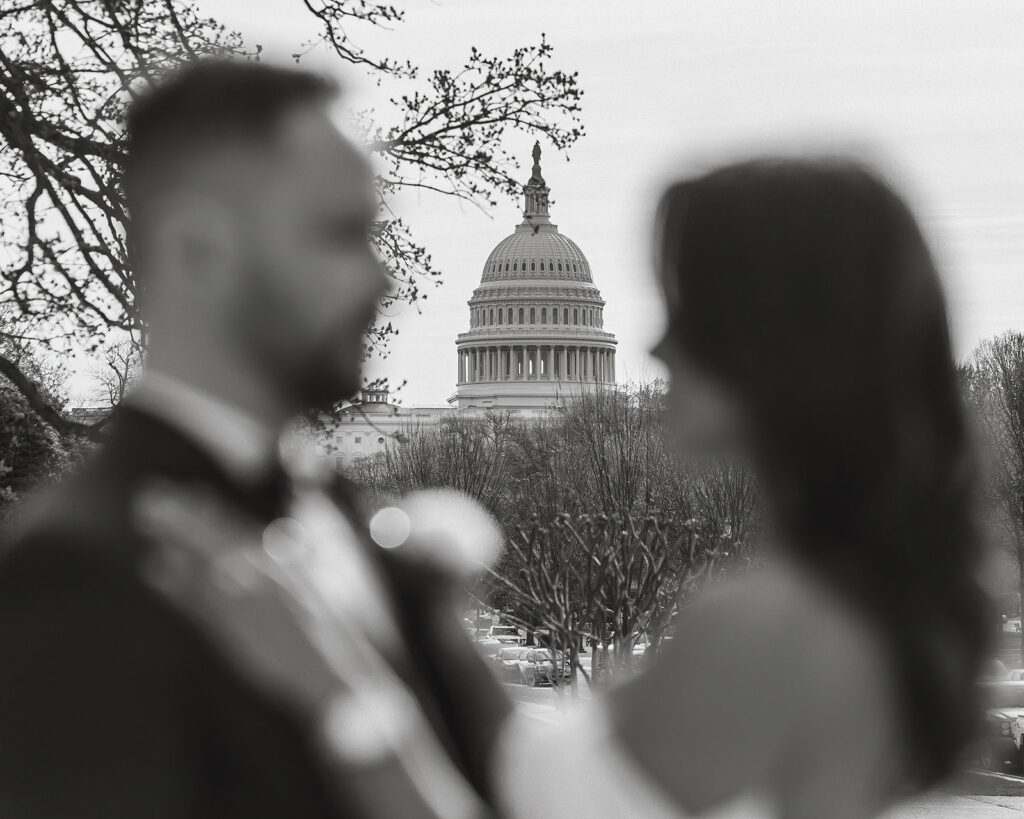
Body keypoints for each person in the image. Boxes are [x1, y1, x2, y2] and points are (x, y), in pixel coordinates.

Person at [144, 156, 991, 819]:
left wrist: (328, 680)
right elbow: (557, 783)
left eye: (689, 315)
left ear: (777, 349)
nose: (654, 350)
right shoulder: (866, 602)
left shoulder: (766, 622)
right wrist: (431, 603)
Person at [0, 60, 508, 818]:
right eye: (341, 234)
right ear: (197, 247)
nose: (385, 281)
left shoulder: (357, 524)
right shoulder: (74, 569)